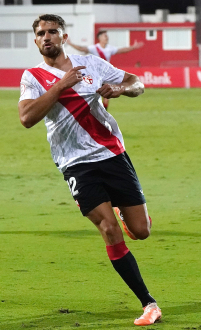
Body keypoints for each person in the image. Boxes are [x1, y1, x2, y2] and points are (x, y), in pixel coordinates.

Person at [17, 14, 161, 326]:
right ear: (35, 41)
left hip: (111, 153)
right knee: (108, 229)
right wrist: (60, 86)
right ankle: (149, 303)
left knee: (141, 231)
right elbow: (26, 118)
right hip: (75, 164)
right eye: (41, 33)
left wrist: (120, 89)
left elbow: (137, 83)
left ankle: (128, 216)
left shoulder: (91, 64)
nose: (47, 37)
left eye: (52, 31)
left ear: (63, 37)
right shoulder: (33, 77)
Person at [68, 30, 143, 109]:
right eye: (105, 36)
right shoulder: (95, 48)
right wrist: (70, 43)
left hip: (106, 74)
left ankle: (103, 114)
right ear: (100, 38)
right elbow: (82, 48)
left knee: (107, 97)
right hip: (96, 75)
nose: (107, 38)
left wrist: (133, 47)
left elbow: (122, 50)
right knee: (94, 96)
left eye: (107, 36)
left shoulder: (109, 48)